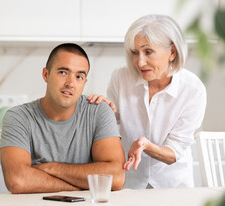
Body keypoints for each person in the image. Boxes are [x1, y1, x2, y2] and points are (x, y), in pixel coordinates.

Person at [88, 14, 207, 188]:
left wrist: (146, 146)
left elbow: (174, 152)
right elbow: (110, 123)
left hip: (173, 186)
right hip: (131, 183)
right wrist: (103, 110)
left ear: (172, 52)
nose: (140, 62)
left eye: (148, 52)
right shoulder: (121, 78)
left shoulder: (193, 89)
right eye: (135, 53)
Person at [0, 43, 125, 194]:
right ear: (46, 75)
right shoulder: (18, 117)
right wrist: (85, 185)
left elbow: (116, 178)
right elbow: (18, 181)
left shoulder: (99, 111)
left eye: (79, 76)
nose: (70, 84)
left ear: (85, 82)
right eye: (63, 72)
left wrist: (50, 168)